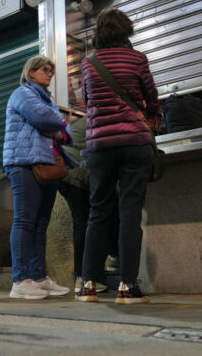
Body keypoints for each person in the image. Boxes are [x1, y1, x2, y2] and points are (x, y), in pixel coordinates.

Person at [76, 8, 159, 304]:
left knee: (97, 212)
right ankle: (127, 285)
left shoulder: (88, 62)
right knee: (130, 212)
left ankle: (87, 283)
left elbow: (85, 100)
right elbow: (151, 97)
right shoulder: (137, 59)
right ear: (127, 30)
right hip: (134, 142)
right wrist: (149, 115)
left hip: (99, 145)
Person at [3, 56, 74, 299]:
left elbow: (67, 133)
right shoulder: (22, 94)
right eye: (45, 70)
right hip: (23, 164)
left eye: (52, 71)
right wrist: (61, 122)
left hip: (47, 164)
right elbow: (44, 119)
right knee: (25, 220)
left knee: (42, 223)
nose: (50, 74)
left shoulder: (47, 101)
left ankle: (39, 278)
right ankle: (20, 280)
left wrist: (60, 127)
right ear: (31, 72)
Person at [58, 116, 118, 294]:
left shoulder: (92, 116)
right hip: (76, 172)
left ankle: (84, 277)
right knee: (87, 223)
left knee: (84, 222)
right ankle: (86, 278)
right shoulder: (108, 119)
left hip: (65, 169)